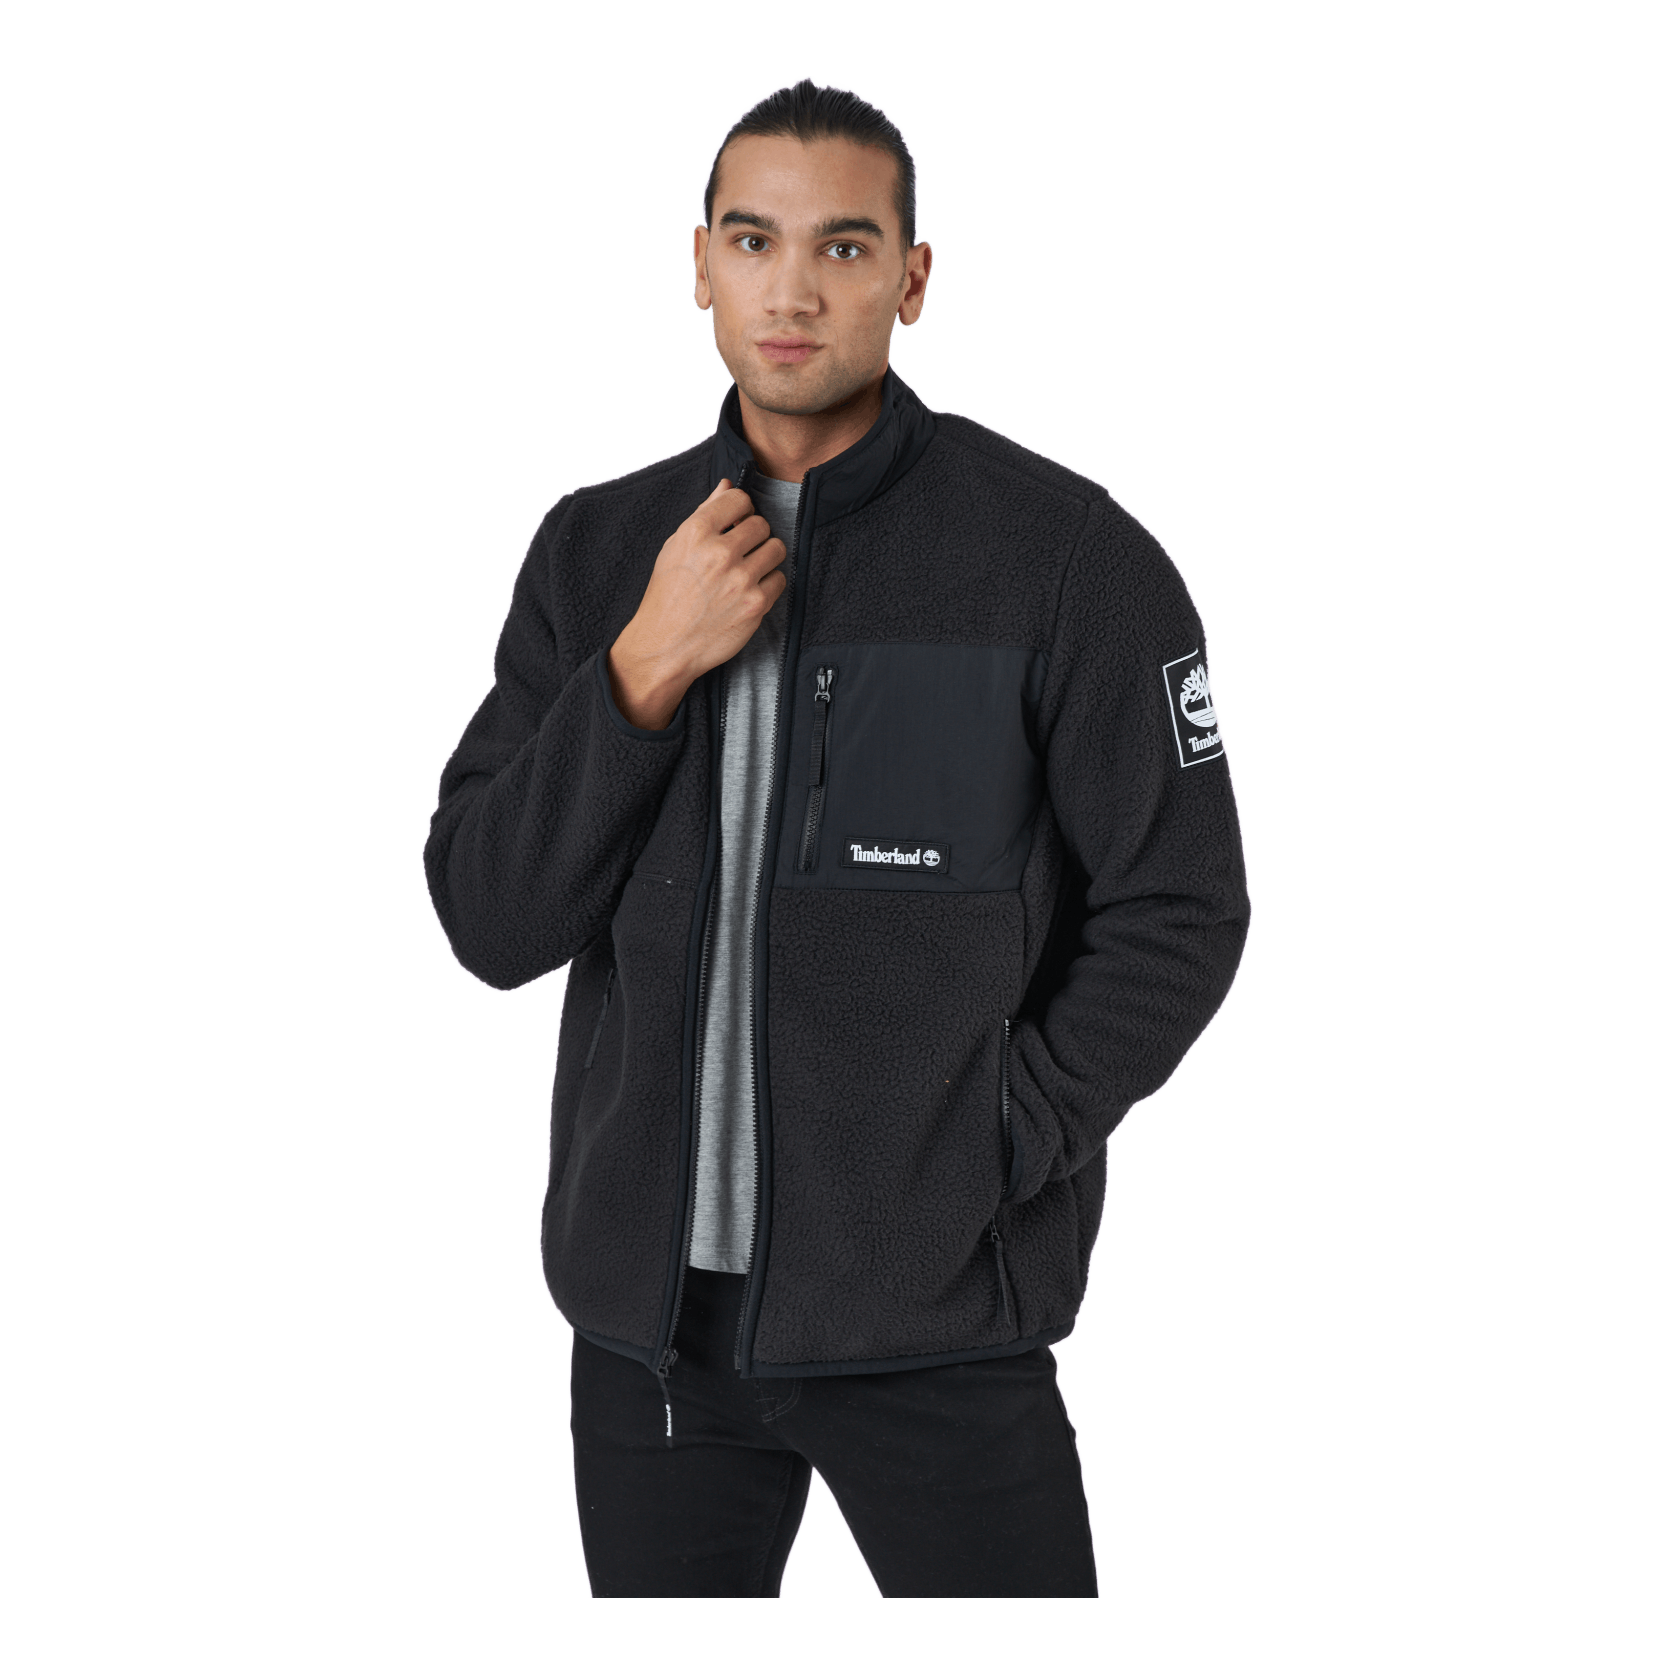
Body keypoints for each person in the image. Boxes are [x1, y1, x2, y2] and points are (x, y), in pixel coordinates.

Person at [423, 76, 1251, 1599]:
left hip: (940, 1323)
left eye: (845, 247)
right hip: (648, 1340)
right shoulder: (598, 552)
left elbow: (1184, 904)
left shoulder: (1066, 558)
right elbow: (488, 917)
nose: (792, 291)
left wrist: (1001, 1134)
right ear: (699, 266)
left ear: (912, 278)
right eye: (753, 241)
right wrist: (641, 671)